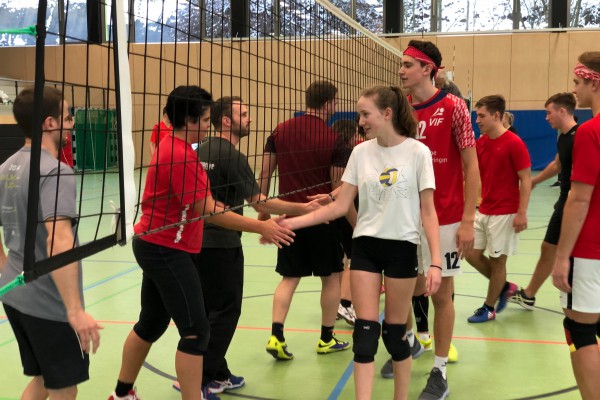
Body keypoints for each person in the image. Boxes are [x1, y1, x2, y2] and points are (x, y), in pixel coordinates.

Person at [108, 86, 295, 400]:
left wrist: (248, 216)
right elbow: (208, 210)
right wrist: (262, 227)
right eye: (206, 119)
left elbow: (204, 204)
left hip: (156, 243)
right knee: (196, 332)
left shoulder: (176, 147)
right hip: (166, 248)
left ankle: (122, 394)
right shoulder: (180, 155)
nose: (209, 126)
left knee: (151, 323)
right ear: (190, 120)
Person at [278, 85, 442, 400]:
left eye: (365, 114)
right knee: (365, 336)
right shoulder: (360, 152)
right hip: (365, 246)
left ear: (387, 113)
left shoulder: (417, 153)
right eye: (359, 114)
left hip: (402, 248)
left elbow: (428, 211)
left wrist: (435, 262)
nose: (361, 120)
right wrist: (291, 222)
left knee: (395, 335)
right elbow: (340, 206)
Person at [171, 96, 322, 395]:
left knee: (208, 312)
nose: (249, 118)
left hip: (193, 242)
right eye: (243, 113)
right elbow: (260, 203)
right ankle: (199, 379)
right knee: (226, 312)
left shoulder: (198, 150)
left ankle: (218, 373)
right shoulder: (233, 156)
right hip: (222, 244)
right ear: (226, 121)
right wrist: (304, 208)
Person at [0, 86, 101, 399]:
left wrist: (5, 270)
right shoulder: (56, 173)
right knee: (63, 387)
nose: (71, 124)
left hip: (14, 294)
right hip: (48, 302)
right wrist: (75, 311)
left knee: (43, 379)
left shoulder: (5, 168)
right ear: (49, 123)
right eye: (68, 117)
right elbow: (59, 241)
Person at [396, 40, 479, 400]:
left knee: (442, 294)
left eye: (408, 65)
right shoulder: (399, 108)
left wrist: (468, 219)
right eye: (402, 64)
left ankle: (439, 371)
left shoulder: (454, 106)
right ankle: (408, 343)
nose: (401, 70)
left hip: (444, 216)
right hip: (403, 216)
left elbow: (471, 166)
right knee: (401, 287)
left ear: (427, 69)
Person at [258, 80, 350, 360]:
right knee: (331, 278)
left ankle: (276, 336)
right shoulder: (334, 138)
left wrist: (264, 213)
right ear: (328, 104)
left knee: (289, 278)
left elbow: (265, 174)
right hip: (322, 220)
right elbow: (336, 187)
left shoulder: (279, 130)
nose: (336, 107)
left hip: (288, 218)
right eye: (335, 102)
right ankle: (326, 339)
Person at [552, 52, 600, 400]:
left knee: (580, 330)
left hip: (588, 250)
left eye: (578, 83)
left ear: (594, 83)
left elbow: (579, 199)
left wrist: (561, 257)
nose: (574, 90)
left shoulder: (590, 132)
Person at [465, 95, 531, 323]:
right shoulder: (481, 143)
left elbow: (526, 179)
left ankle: (489, 307)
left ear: (496, 116)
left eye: (481, 116)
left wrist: (522, 212)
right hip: (484, 209)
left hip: (506, 212)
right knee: (470, 254)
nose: (477, 120)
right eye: (477, 116)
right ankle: (504, 287)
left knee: (497, 261)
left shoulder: (514, 143)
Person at [510, 93, 578, 310]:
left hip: (573, 203)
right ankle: (529, 295)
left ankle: (579, 301)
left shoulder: (580, 137)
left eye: (549, 113)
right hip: (564, 202)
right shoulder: (563, 137)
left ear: (562, 111)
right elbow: (558, 164)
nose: (546, 118)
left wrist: (575, 199)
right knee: (548, 247)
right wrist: (534, 181)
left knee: (570, 252)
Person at [331, 117, 364, 326]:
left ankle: (339, 302)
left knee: (344, 259)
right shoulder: (347, 154)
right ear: (350, 135)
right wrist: (356, 222)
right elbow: (343, 192)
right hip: (347, 212)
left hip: (335, 214)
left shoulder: (335, 152)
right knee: (354, 258)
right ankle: (345, 302)